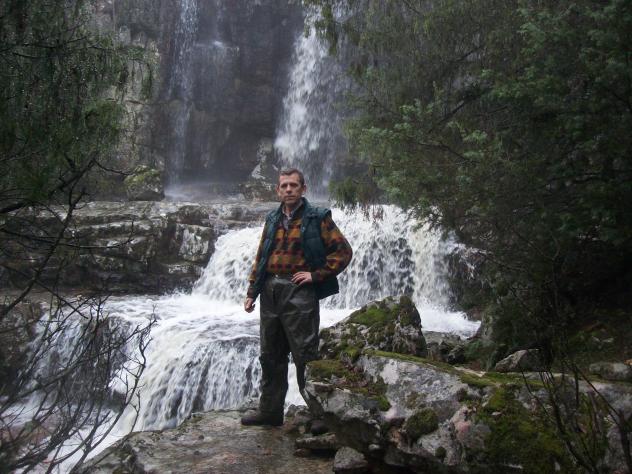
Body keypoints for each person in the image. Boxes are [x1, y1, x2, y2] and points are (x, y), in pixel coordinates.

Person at [241, 168, 353, 426]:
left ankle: (318, 414)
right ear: (278, 191)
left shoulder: (318, 217)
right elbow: (261, 257)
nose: (289, 189)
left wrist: (316, 275)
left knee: (305, 354)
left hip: (299, 291)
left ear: (304, 189)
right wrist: (252, 292)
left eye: (293, 185)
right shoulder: (272, 218)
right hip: (270, 291)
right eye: (284, 186)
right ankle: (270, 411)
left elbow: (343, 251)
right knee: (270, 354)